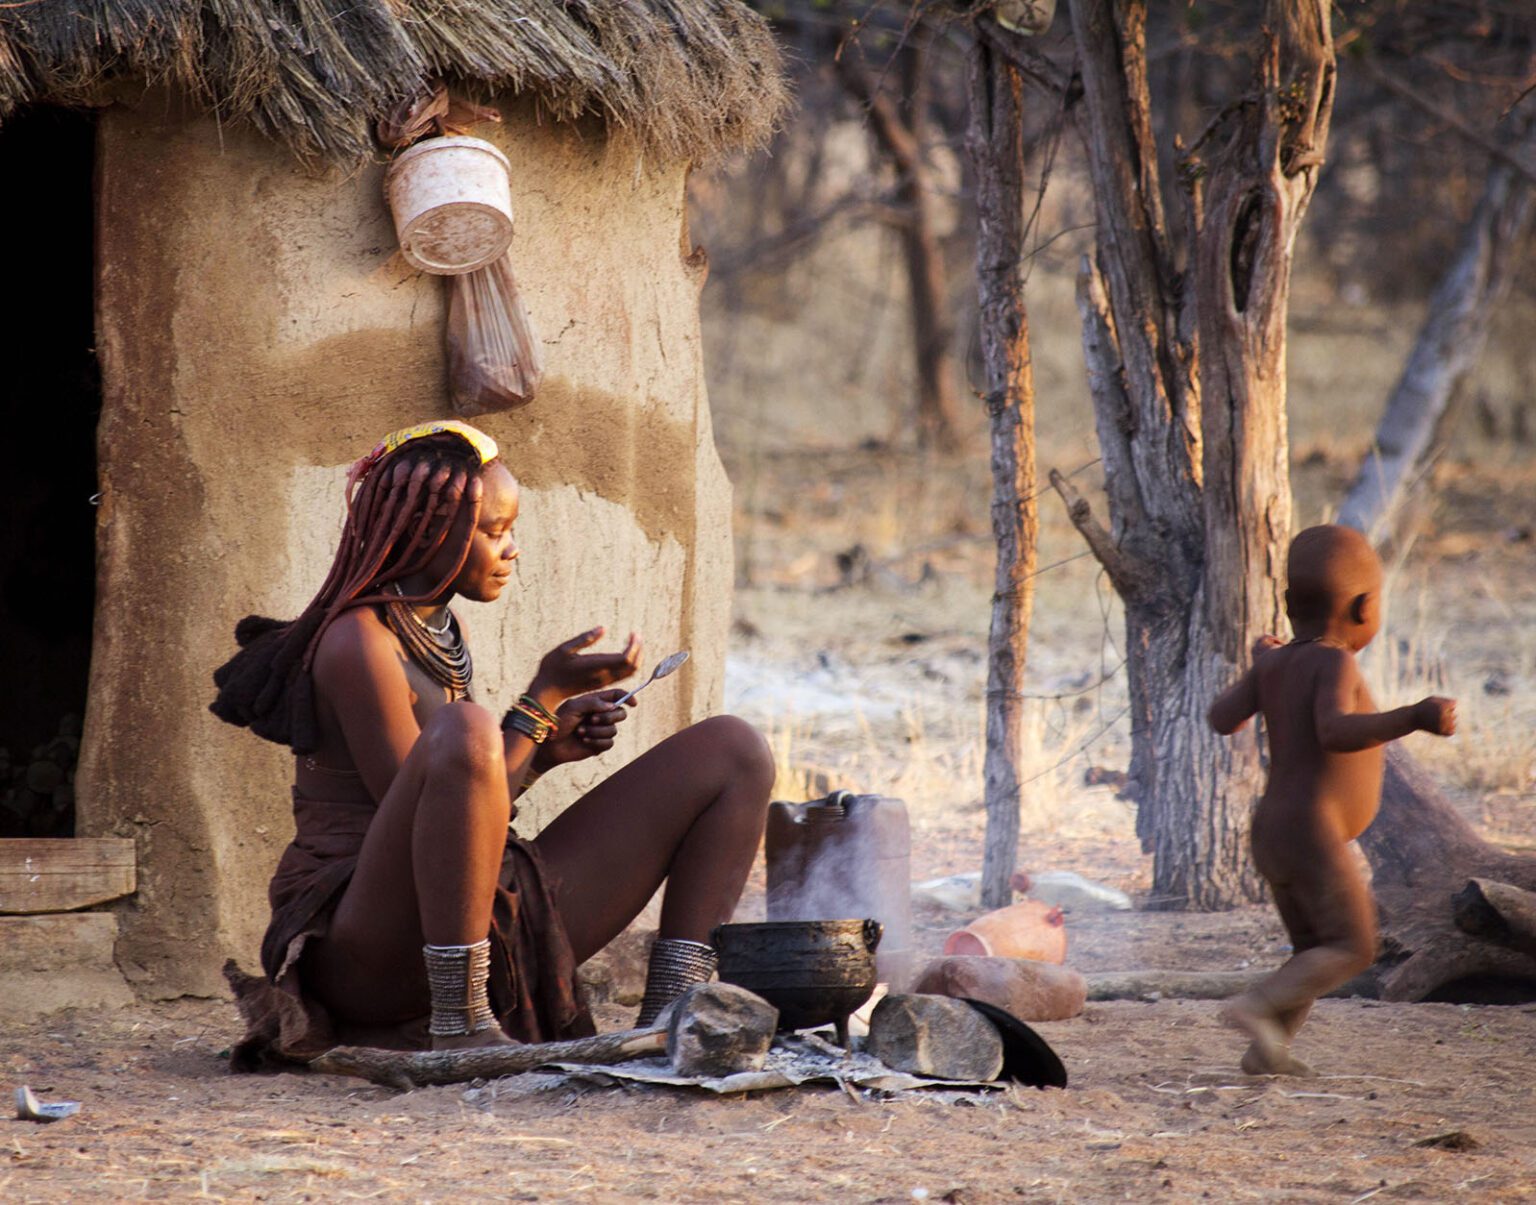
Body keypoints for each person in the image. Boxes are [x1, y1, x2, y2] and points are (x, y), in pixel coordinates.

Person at [212, 420, 773, 1065]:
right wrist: (538, 705)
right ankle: (460, 1024)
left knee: (734, 750)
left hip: (473, 918)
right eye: (494, 531)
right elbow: (424, 816)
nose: (511, 550)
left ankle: (674, 1011)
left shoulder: (442, 631)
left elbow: (468, 804)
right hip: (364, 946)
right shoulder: (357, 643)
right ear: (428, 532)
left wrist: (544, 749)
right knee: (469, 727)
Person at [1207, 524, 1456, 1076]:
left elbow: (1221, 717)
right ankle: (1256, 1007)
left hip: (1272, 830)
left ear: (1290, 604)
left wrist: (1260, 666)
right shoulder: (1336, 662)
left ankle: (1267, 1051)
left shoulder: (1275, 662)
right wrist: (1413, 716)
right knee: (1353, 946)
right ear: (1365, 607)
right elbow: (1335, 730)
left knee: (1311, 949)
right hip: (1313, 831)